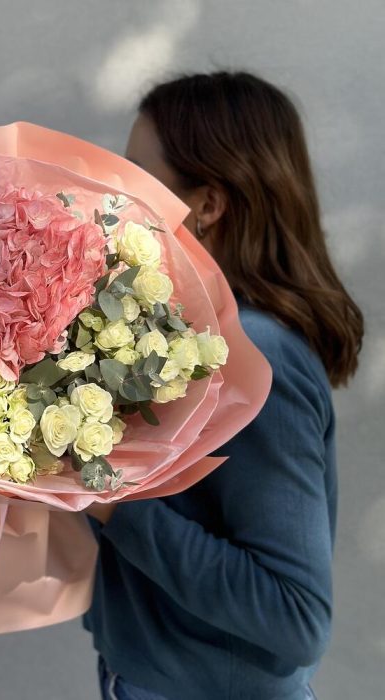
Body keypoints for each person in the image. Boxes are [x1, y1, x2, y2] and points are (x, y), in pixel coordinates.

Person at [83, 71, 364, 700]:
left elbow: (295, 616)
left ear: (208, 204)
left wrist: (104, 498)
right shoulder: (187, 336)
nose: (116, 198)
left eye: (138, 177)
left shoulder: (257, 355)